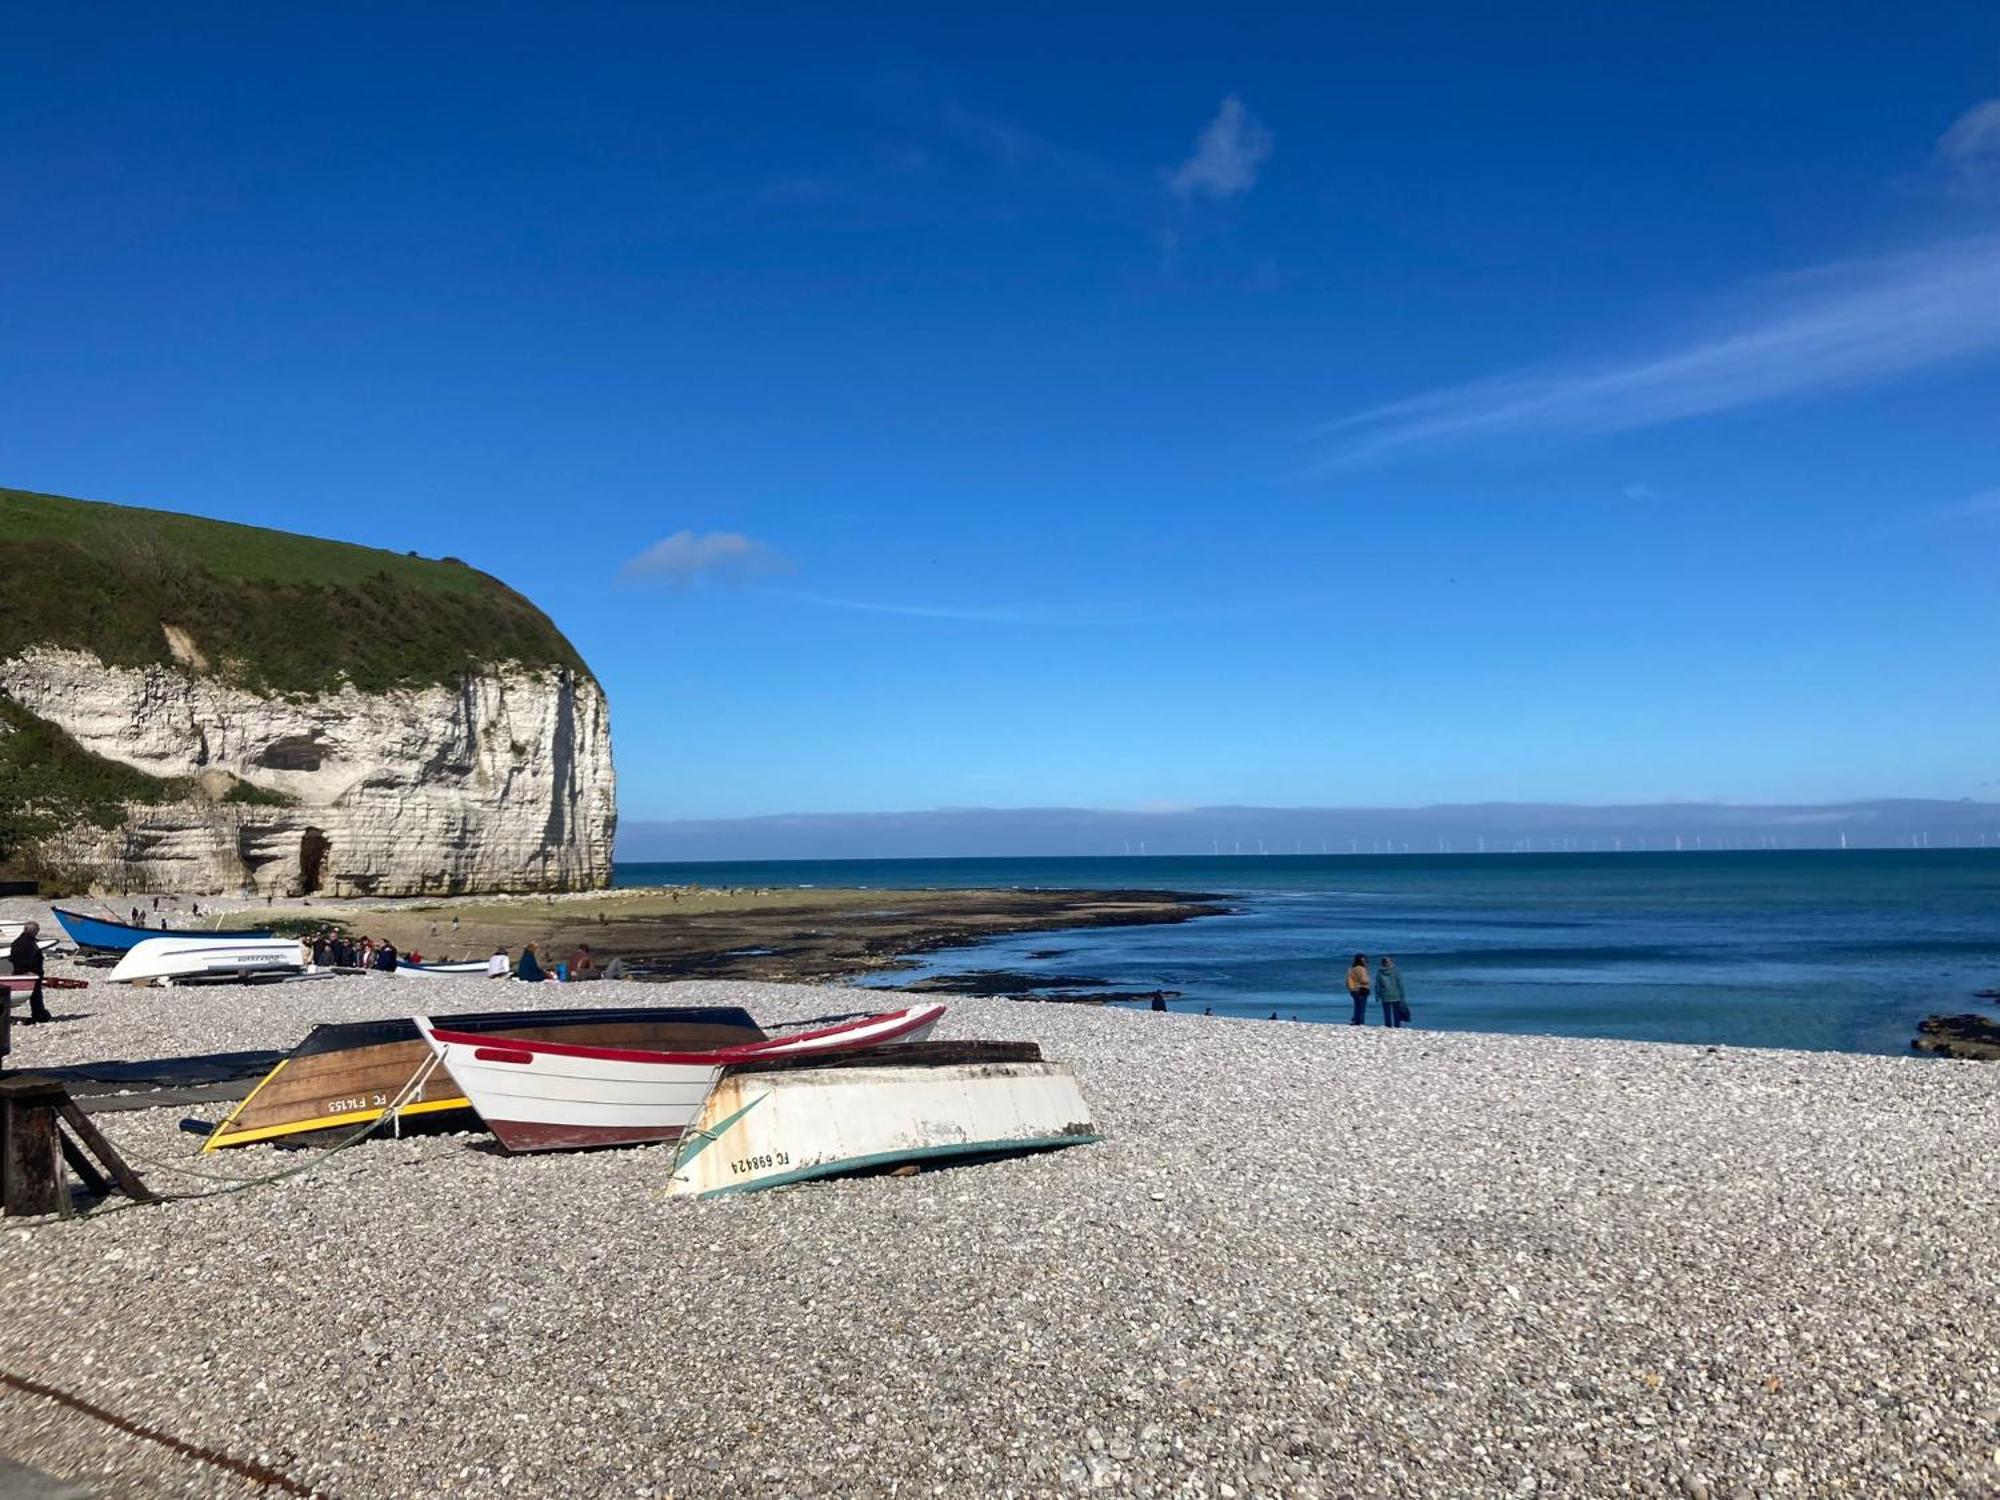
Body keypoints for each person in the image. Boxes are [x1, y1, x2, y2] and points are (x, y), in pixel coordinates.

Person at [8, 922, 51, 1024]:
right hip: (29, 974)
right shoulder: (27, 943)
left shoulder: (18, 942)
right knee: (36, 996)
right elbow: (28, 960)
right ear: (34, 931)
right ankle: (39, 1015)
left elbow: (13, 958)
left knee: (36, 995)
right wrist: (29, 971)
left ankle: (40, 1014)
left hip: (23, 972)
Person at [1376, 955, 1407, 1028]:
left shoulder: (1380, 972)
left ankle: (1388, 1025)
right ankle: (1397, 1025)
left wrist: (1377, 995)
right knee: (1396, 1012)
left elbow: (1377, 985)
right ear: (1390, 962)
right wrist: (1402, 994)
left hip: (1385, 994)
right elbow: (1399, 983)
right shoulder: (1395, 971)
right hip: (1395, 993)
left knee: (1387, 1012)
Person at [1345, 953, 1371, 1026]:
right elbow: (1363, 980)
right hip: (1361, 989)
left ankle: (1356, 1021)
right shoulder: (1361, 968)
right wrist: (1368, 980)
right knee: (1362, 1008)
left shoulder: (1352, 968)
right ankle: (1360, 1023)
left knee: (1357, 1007)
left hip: (1353, 989)